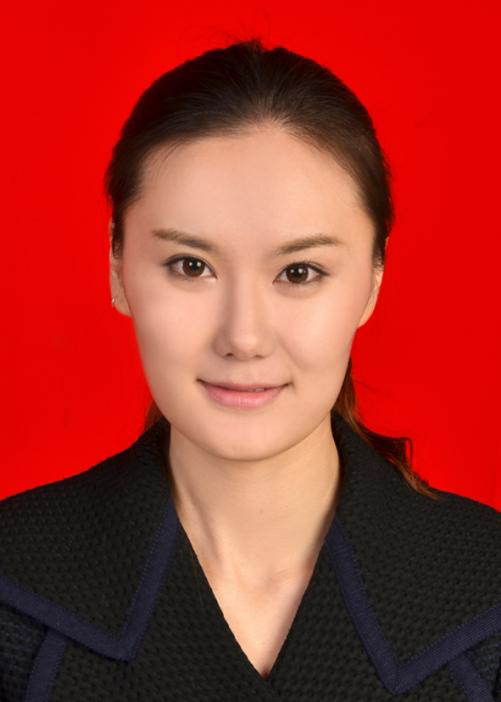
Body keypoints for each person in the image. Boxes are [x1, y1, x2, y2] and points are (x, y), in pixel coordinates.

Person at [0, 37, 499, 702]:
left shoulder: (485, 593)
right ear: (117, 266)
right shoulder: (14, 586)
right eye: (190, 266)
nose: (243, 337)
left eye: (300, 272)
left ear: (373, 280)